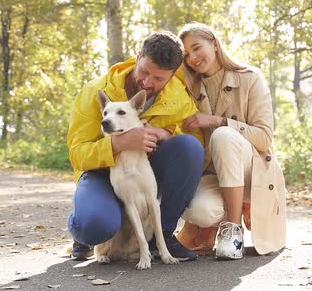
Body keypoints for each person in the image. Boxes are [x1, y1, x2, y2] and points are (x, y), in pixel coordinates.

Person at [66, 31, 205, 261]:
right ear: (138, 56)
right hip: (102, 173)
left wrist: (164, 133)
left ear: (172, 75)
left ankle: (161, 237)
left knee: (189, 148)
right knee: (94, 226)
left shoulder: (178, 95)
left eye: (159, 79)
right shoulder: (95, 91)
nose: (148, 82)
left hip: (145, 168)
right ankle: (84, 232)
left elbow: (198, 142)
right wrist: (117, 143)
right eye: (144, 71)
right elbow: (77, 154)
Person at [176, 22, 286, 260]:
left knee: (223, 135)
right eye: (186, 54)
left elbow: (265, 138)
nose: (193, 57)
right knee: (200, 211)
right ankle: (212, 226)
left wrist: (217, 120)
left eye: (197, 47)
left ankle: (232, 232)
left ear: (214, 44)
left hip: (252, 171)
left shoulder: (250, 78)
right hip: (215, 173)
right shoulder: (187, 89)